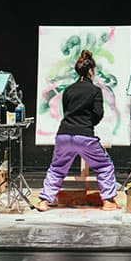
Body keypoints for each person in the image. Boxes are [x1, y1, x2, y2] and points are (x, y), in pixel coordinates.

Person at [36, 50, 119, 212]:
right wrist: (88, 123)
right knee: (103, 166)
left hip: (64, 134)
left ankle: (44, 201)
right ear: (90, 71)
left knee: (57, 168)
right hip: (84, 135)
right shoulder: (95, 90)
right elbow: (98, 114)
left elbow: (66, 111)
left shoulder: (68, 90)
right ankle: (108, 201)